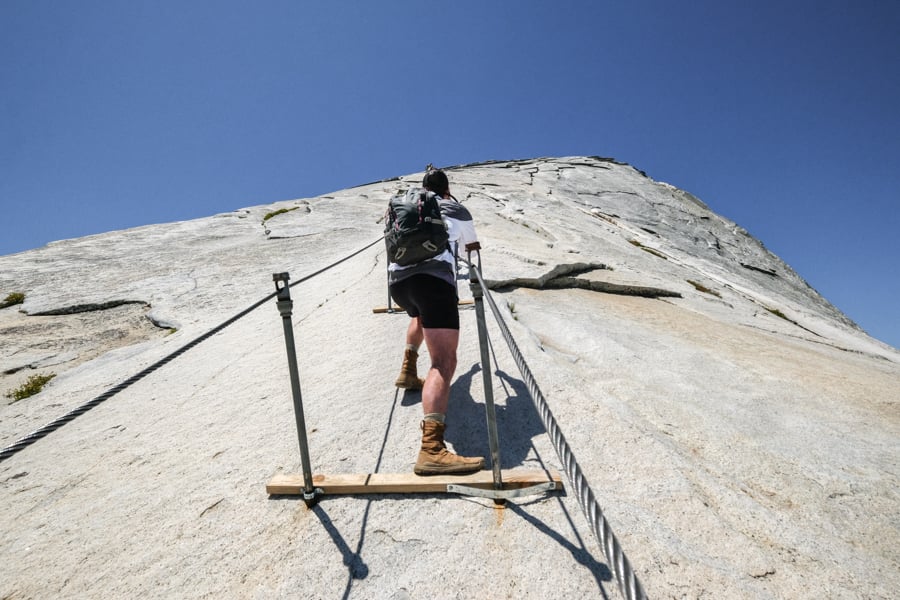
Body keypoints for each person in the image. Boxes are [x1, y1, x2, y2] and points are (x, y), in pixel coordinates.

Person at [388, 167, 484, 476]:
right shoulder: (455, 208)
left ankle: (407, 368)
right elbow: (472, 248)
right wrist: (477, 280)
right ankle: (431, 450)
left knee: (419, 314)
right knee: (442, 362)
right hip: (434, 282)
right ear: (447, 188)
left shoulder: (411, 208)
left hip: (399, 284)